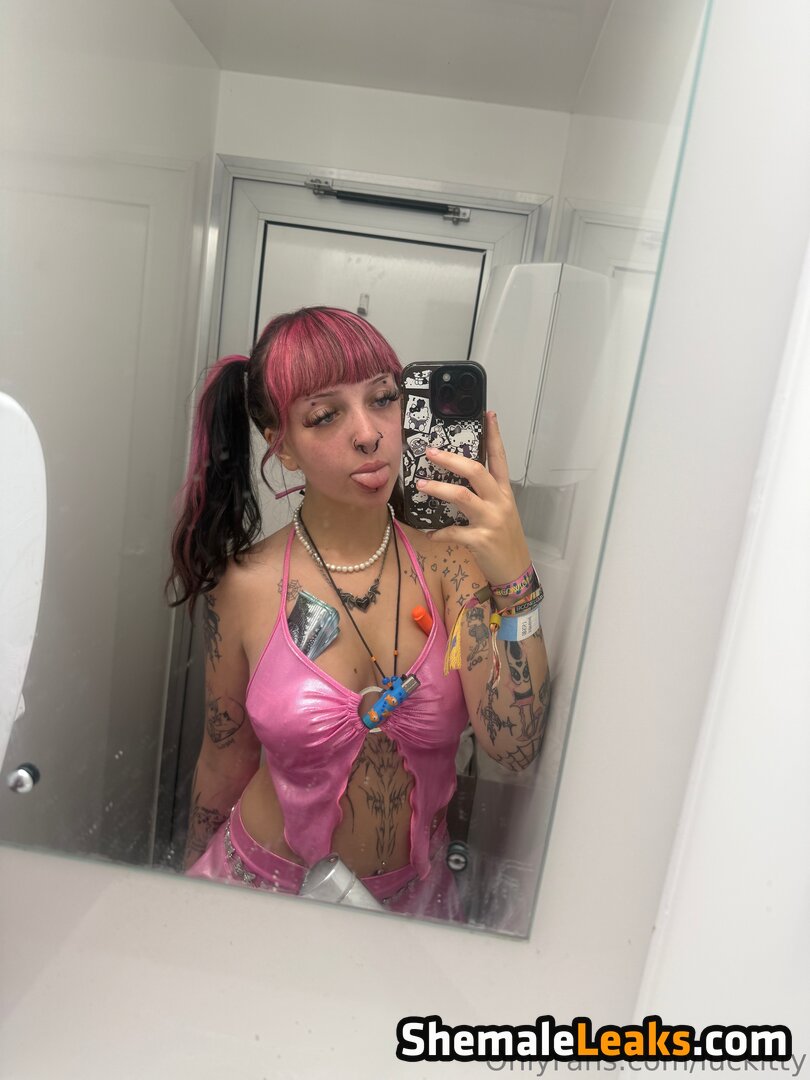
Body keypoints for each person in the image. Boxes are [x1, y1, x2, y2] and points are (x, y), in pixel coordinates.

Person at [168, 306, 550, 920]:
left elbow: (514, 747)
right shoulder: (245, 586)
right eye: (325, 415)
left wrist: (514, 573)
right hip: (261, 893)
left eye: (383, 399)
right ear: (282, 446)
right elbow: (224, 757)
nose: (369, 433)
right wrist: (181, 903)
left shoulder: (454, 568)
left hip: (414, 906)